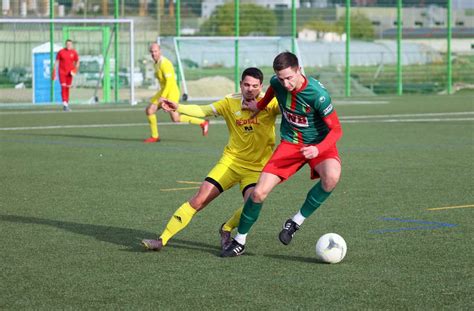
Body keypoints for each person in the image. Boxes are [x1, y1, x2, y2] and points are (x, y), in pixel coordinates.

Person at [141, 67, 280, 251]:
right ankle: (162, 239)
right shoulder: (230, 102)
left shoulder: (270, 103)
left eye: (255, 86)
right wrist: (178, 107)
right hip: (230, 163)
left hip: (256, 168)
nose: (250, 89)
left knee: (253, 204)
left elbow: (291, 106)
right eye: (246, 84)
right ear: (240, 85)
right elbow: (203, 110)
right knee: (199, 199)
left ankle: (226, 228)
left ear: (261, 86)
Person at [221, 52, 343, 257]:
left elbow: (337, 129)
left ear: (299, 71)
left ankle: (295, 222)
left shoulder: (318, 94)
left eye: (289, 78)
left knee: (331, 177)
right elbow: (270, 94)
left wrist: (318, 149)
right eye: (281, 78)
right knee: (258, 193)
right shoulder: (276, 83)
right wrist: (258, 107)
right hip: (291, 144)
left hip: (319, 144)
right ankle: (239, 240)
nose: (285, 84)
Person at [144, 42, 209, 143]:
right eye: (152, 51)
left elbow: (170, 82)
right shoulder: (156, 63)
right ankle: (155, 136)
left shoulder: (165, 63)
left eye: (156, 51)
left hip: (171, 92)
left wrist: (163, 97)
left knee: (175, 118)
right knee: (150, 110)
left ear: (160, 51)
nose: (154, 53)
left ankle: (203, 122)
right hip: (163, 91)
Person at [52, 39, 79, 112]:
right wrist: (54, 71)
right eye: (67, 44)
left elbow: (77, 62)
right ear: (65, 44)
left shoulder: (74, 53)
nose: (68, 45)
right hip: (62, 73)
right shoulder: (61, 52)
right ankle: (65, 104)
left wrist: (75, 70)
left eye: (70, 44)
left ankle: (66, 103)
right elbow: (57, 62)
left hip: (70, 74)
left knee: (67, 88)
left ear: (72, 45)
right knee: (63, 87)